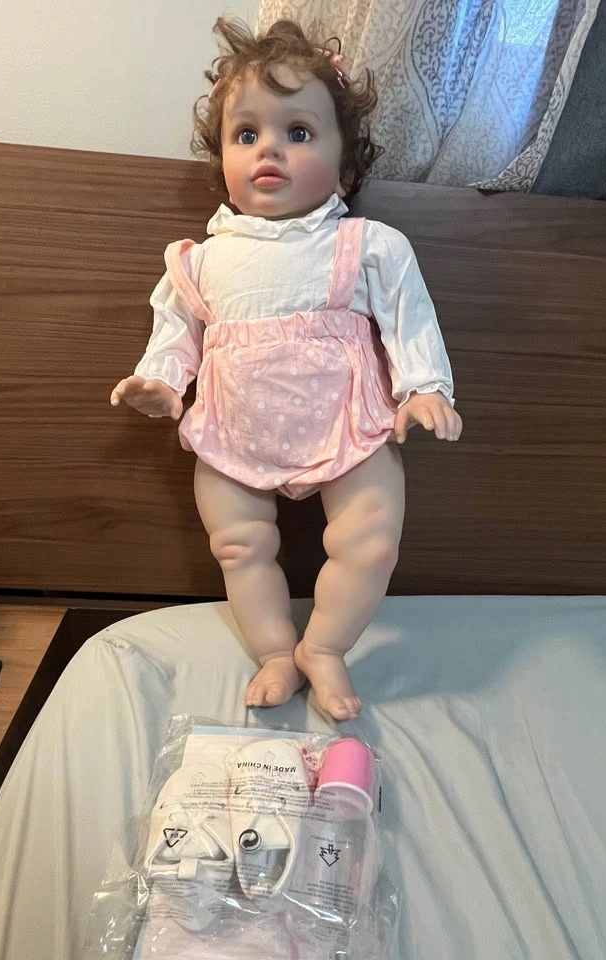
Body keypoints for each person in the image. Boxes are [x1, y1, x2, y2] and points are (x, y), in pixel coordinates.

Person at [111, 18, 462, 720]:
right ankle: (276, 649)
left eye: (297, 132)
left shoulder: (367, 244)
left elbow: (409, 317)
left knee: (372, 540)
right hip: (234, 431)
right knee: (238, 544)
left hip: (348, 425)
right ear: (222, 158)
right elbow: (175, 332)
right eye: (247, 134)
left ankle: (324, 647)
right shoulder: (198, 261)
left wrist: (424, 388)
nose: (269, 147)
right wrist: (161, 382)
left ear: (345, 166)